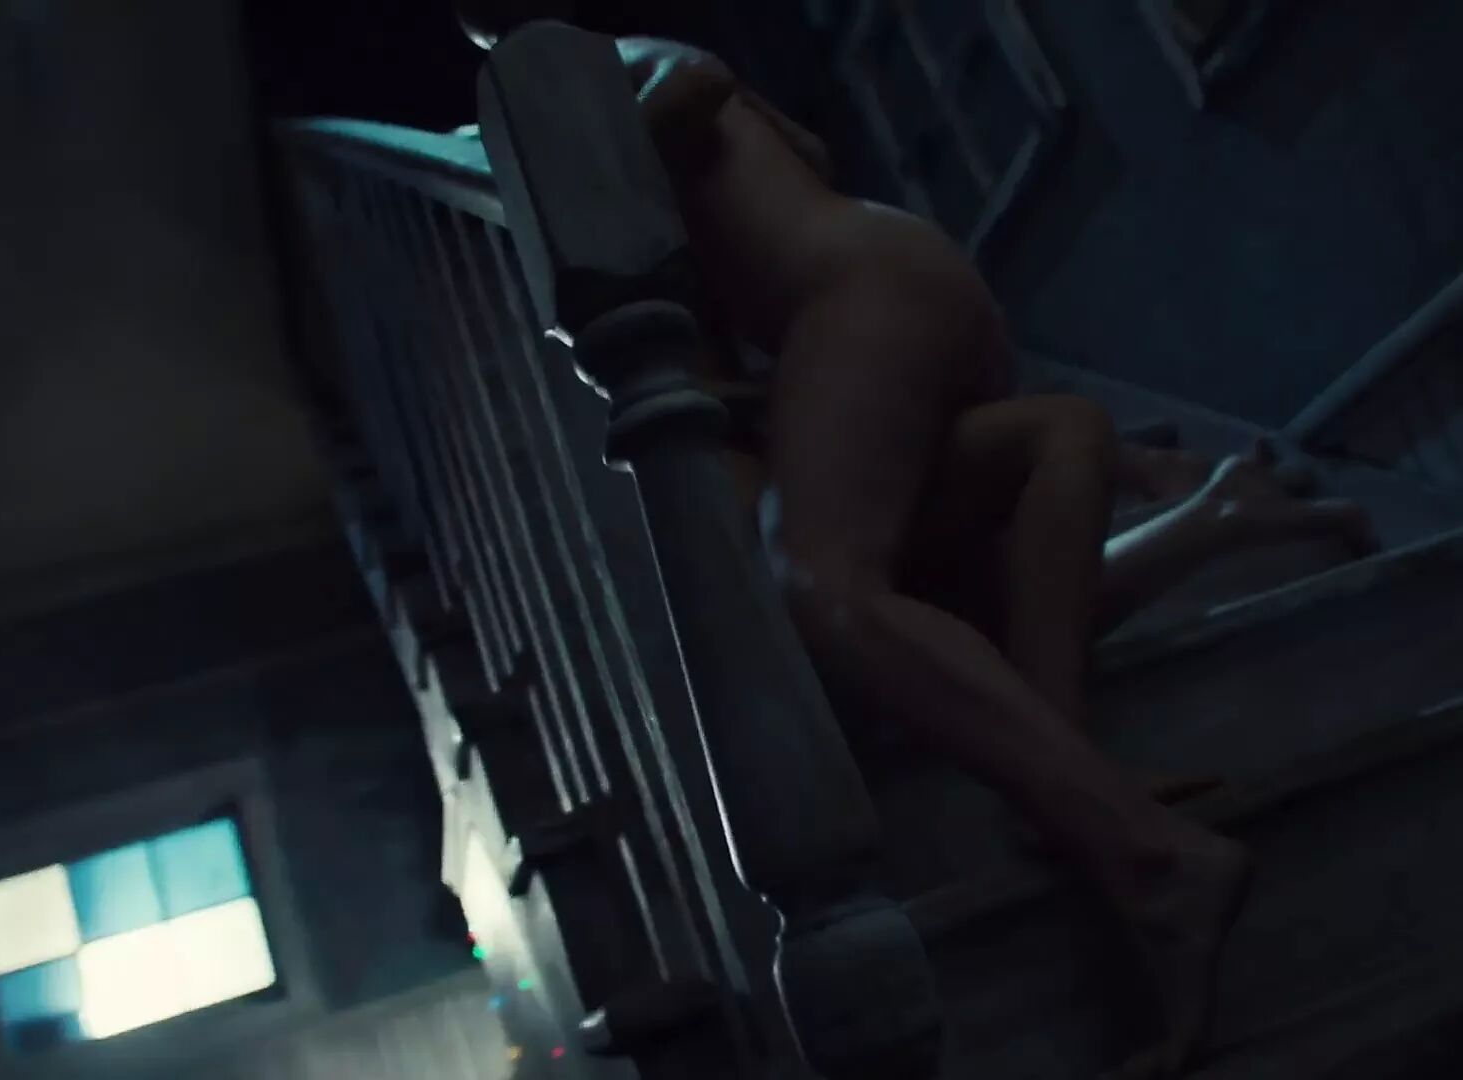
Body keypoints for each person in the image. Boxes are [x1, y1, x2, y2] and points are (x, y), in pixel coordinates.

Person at [459, 6, 1378, 1077]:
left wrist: (579, 193)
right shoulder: (673, 97)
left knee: (820, 585)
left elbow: (693, 87)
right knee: (1049, 447)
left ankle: (1154, 861)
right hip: (905, 273)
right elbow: (801, 152)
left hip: (854, 291)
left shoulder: (612, 65)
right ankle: (1083, 776)